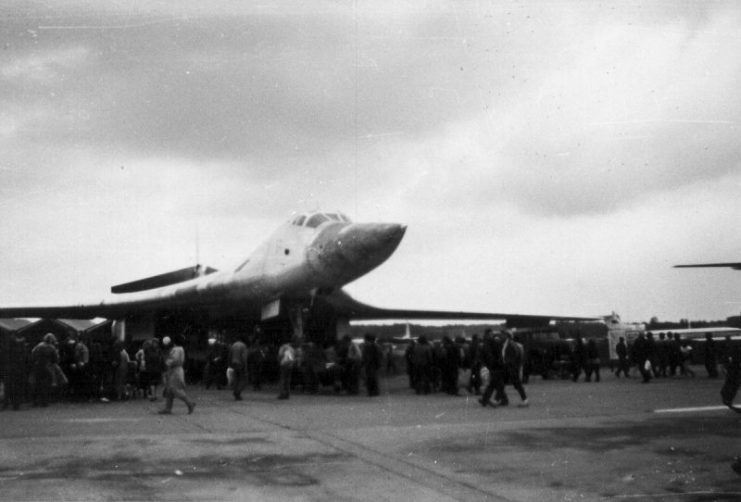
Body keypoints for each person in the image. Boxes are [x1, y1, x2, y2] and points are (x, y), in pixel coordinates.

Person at [158, 336, 195, 415]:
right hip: (176, 370)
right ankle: (168, 408)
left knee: (175, 389)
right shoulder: (180, 349)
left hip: (175, 370)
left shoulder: (177, 349)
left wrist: (166, 362)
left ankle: (189, 403)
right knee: (169, 391)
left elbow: (174, 359)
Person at [31, 333, 59, 407]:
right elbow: (55, 359)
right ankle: (44, 402)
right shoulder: (52, 347)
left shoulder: (39, 345)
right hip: (47, 367)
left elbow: (33, 354)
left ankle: (35, 402)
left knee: (37, 384)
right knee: (46, 385)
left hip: (37, 366)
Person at [501, 331, 528, 407]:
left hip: (511, 368)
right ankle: (500, 399)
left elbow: (514, 357)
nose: (501, 336)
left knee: (517, 384)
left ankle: (525, 400)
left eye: (503, 335)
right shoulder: (507, 344)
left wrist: (510, 365)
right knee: (501, 383)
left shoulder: (511, 345)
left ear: (507, 336)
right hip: (510, 367)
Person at [3, 331, 29, 410]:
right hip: (15, 369)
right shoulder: (18, 347)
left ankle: (7, 403)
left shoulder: (7, 347)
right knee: (15, 387)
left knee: (9, 387)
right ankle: (15, 404)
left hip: (9, 369)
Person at [228, 335, 249, 400]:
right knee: (244, 380)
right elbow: (244, 357)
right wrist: (245, 366)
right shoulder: (243, 346)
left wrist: (230, 364)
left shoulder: (233, 345)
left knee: (236, 379)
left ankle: (236, 394)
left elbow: (230, 355)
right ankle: (237, 392)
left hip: (234, 363)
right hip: (240, 363)